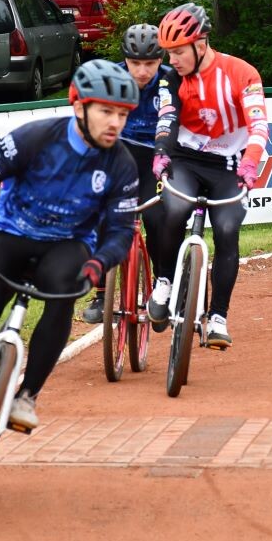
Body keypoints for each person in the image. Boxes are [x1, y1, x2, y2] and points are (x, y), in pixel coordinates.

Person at [0, 59, 140, 456]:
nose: (115, 123)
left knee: (63, 296)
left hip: (66, 244)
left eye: (122, 115)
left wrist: (99, 263)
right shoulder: (37, 137)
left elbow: (121, 231)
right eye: (106, 111)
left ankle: (27, 395)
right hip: (9, 235)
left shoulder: (121, 164)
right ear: (78, 106)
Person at [146, 3, 269, 350]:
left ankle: (218, 317)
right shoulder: (171, 77)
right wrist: (161, 151)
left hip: (229, 166)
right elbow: (167, 118)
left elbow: (259, 125)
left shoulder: (242, 74)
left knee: (228, 230)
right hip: (185, 159)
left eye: (178, 52)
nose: (172, 60)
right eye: (168, 53)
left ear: (201, 45)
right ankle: (164, 281)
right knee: (173, 210)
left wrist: (250, 162)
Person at [81, 23, 173, 324]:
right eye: (135, 63)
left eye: (150, 63)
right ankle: (100, 294)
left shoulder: (172, 81)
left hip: (156, 158)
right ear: (124, 60)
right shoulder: (109, 81)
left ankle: (163, 287)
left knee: (157, 220)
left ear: (161, 59)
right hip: (118, 155)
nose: (142, 71)